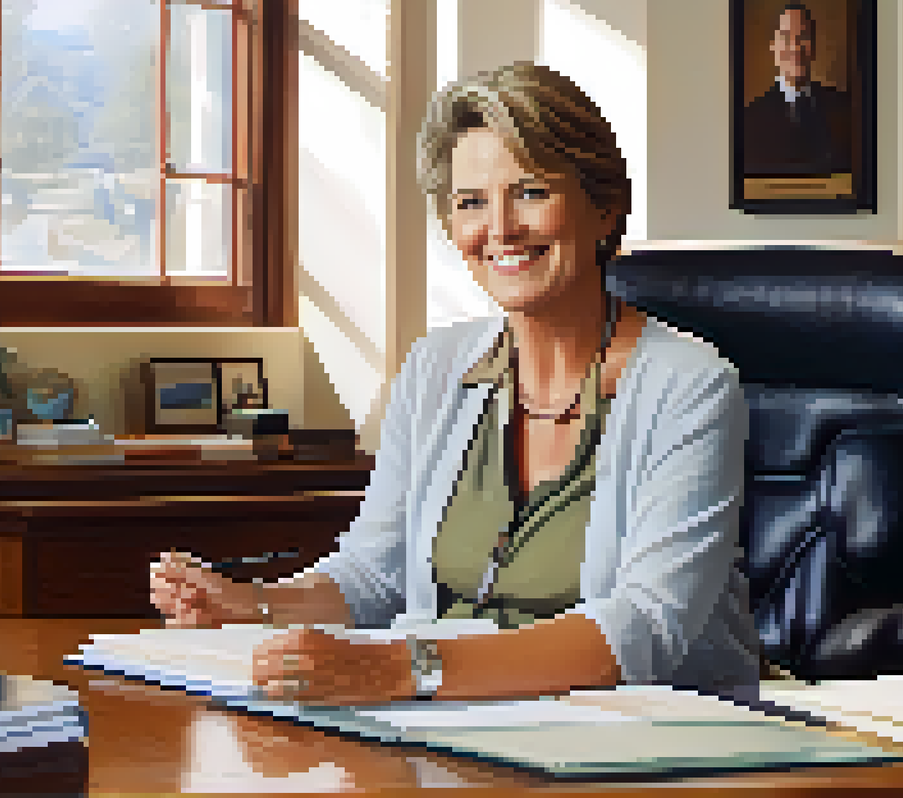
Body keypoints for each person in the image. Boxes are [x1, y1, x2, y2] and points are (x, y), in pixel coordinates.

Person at [151, 61, 762, 705]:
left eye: (530, 192)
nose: (498, 230)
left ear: (604, 208)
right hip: (450, 726)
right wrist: (255, 605)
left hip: (638, 742)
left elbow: (645, 628)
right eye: (471, 203)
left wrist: (401, 669)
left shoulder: (690, 386)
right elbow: (373, 575)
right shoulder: (436, 368)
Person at [742, 2, 853, 176]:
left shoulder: (845, 110)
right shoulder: (748, 119)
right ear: (774, 46)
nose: (795, 47)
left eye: (803, 37)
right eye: (786, 37)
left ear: (814, 47)